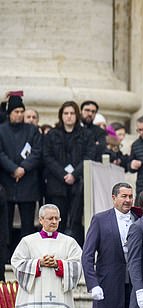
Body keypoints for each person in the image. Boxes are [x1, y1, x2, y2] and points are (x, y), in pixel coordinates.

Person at [43, 101, 92, 244]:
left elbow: (89, 155)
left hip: (78, 184)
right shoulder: (52, 134)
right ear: (61, 116)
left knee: (75, 221)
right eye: (66, 113)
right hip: (57, 184)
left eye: (72, 113)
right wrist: (63, 174)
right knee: (56, 219)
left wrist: (74, 175)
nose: (69, 116)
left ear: (77, 115)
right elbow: (47, 156)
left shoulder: (86, 134)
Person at [0, 94, 42, 245]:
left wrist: (23, 169)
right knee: (5, 225)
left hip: (28, 184)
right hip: (7, 183)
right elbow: (1, 154)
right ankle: (5, 256)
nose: (19, 115)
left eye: (20, 111)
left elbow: (37, 152)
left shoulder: (32, 131)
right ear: (9, 113)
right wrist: (13, 169)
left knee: (28, 226)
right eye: (15, 112)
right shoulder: (2, 130)